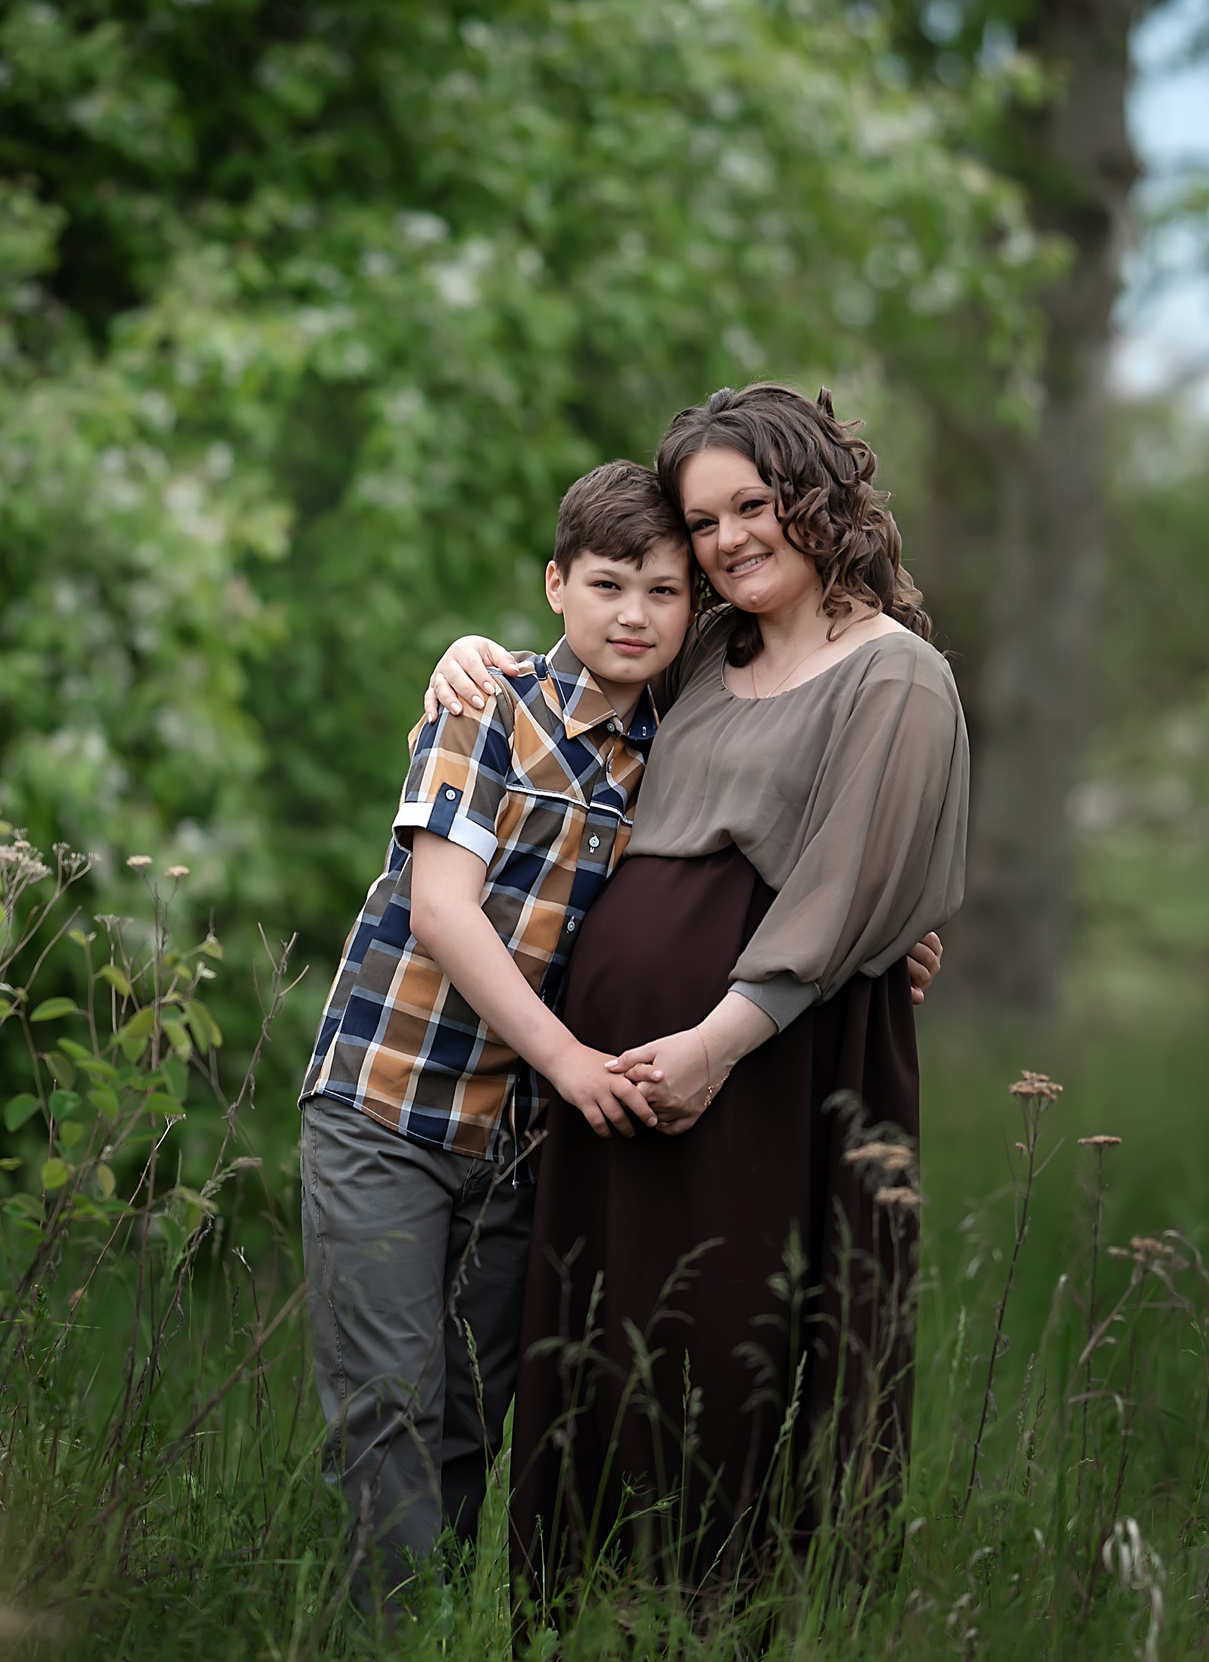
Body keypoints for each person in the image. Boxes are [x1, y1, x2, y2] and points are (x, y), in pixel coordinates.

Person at [422, 384, 968, 1593]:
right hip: (612, 1080)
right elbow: (579, 706)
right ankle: (568, 1618)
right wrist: (475, 657)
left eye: (752, 505)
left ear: (818, 498)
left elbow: (844, 891)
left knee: (725, 1355)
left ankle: (712, 1616)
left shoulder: (897, 675)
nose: (725, 540)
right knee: (596, 1357)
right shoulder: (708, 655)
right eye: (703, 518)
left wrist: (716, 1045)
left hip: (757, 1069)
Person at [297, 460, 687, 1614]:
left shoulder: (677, 751)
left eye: (664, 591)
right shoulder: (489, 706)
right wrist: (568, 1058)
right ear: (555, 583)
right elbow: (441, 909)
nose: (633, 613)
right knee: (387, 1409)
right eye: (608, 583)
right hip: (388, 1104)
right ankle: (382, 1636)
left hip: (515, 1144)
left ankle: (412, 1629)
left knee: (469, 1413)